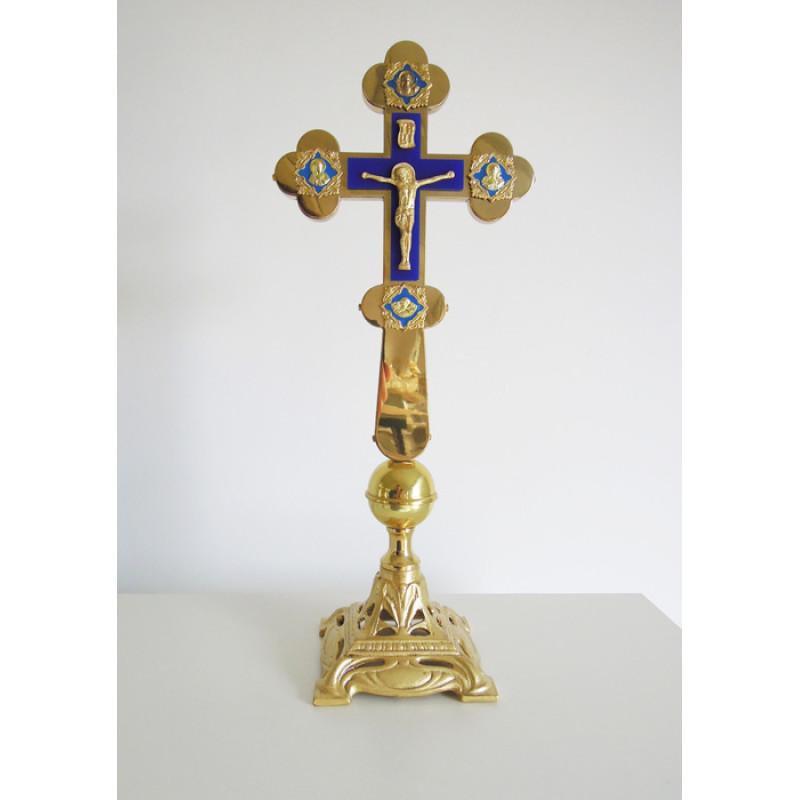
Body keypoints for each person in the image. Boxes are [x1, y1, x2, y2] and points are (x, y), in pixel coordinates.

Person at [361, 162, 454, 270]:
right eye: (400, 175)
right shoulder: (398, 184)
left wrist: (445, 176)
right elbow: (383, 179)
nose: (401, 176)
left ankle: (407, 259)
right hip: (401, 211)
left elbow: (431, 180)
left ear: (408, 174)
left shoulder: (415, 184)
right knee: (404, 233)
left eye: (403, 174)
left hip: (410, 212)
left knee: (409, 233)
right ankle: (403, 258)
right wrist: (369, 176)